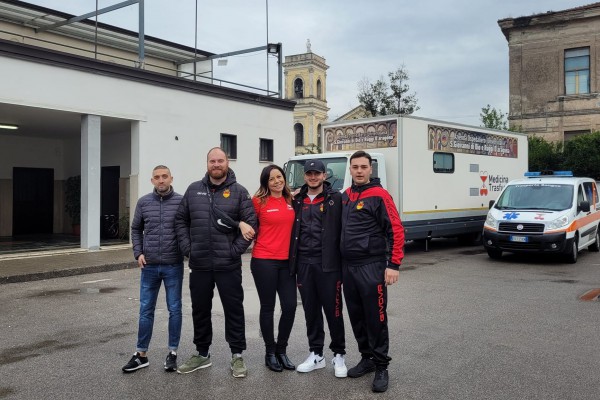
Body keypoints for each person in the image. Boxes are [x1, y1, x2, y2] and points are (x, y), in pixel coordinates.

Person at [174, 147, 257, 378]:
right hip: (199, 264)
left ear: (227, 163)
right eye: (213, 161)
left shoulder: (239, 192)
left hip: (227, 265)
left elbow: (251, 225)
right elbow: (180, 220)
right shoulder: (193, 190)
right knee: (200, 310)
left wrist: (234, 251)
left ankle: (237, 355)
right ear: (207, 163)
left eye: (220, 160)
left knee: (234, 310)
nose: (216, 165)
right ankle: (202, 354)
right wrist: (187, 248)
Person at [340, 150, 404, 393]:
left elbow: (396, 230)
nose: (358, 170)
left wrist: (393, 264)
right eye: (355, 167)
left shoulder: (379, 195)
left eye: (363, 167)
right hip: (348, 268)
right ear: (350, 169)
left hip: (371, 267)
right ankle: (366, 358)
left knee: (375, 318)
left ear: (370, 169)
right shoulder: (345, 196)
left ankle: (381, 366)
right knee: (356, 316)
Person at [122, 165, 184, 373]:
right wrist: (138, 253)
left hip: (173, 265)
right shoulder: (143, 203)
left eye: (164, 176)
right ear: (152, 181)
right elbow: (136, 229)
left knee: (174, 309)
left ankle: (172, 353)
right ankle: (141, 355)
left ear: (171, 178)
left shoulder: (181, 202)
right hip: (148, 266)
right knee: (145, 310)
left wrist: (187, 252)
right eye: (157, 177)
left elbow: (189, 229)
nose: (161, 180)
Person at [289, 159, 347, 377]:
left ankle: (339, 354)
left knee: (334, 312)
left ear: (325, 175)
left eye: (317, 173)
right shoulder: (296, 199)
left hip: (329, 266)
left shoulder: (336, 199)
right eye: (309, 174)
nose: (313, 177)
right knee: (311, 311)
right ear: (305, 176)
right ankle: (316, 354)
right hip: (304, 263)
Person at [250, 164, 297, 372]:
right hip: (264, 260)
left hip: (287, 262)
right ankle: (270, 352)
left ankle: (281, 350)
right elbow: (246, 222)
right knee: (268, 307)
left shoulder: (291, 200)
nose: (277, 181)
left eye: (279, 177)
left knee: (290, 306)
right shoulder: (258, 202)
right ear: (265, 183)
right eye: (271, 179)